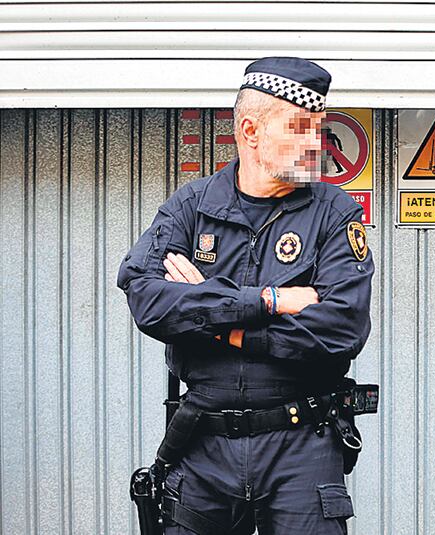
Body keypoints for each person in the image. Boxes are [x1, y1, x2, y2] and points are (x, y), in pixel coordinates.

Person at [118, 56, 374, 534]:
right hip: (203, 446)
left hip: (303, 444)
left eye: (320, 128)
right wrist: (271, 301)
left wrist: (219, 325)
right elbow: (147, 298)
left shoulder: (334, 213)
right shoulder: (192, 207)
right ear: (251, 131)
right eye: (302, 128)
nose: (317, 144)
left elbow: (342, 328)